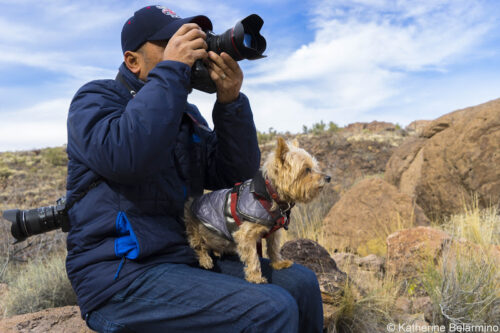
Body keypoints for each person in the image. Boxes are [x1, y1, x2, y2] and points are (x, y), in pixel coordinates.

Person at [65, 5, 323, 332]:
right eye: (171, 42)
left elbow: (236, 174)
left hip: (184, 259)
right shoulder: (96, 100)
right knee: (271, 308)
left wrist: (230, 103)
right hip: (121, 276)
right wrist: (172, 70)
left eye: (190, 39)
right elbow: (127, 155)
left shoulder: (185, 115)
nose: (190, 49)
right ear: (133, 61)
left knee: (300, 284)